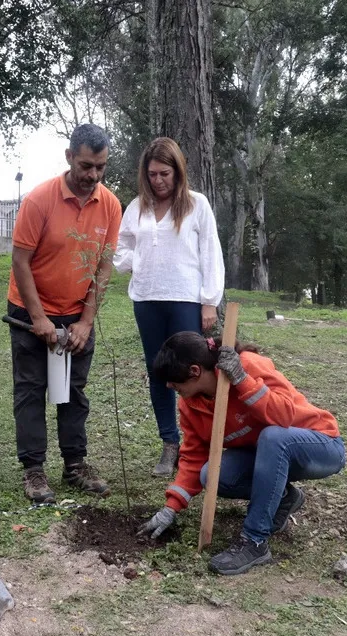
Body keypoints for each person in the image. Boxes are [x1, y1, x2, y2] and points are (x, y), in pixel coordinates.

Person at [137, 331, 346, 576]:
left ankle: (255, 541)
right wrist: (170, 508)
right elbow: (194, 457)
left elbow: (284, 416)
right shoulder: (191, 403)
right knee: (212, 476)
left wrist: (242, 380)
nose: (169, 386)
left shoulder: (247, 365)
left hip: (320, 446)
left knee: (274, 437)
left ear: (194, 371)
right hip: (268, 455)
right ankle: (284, 498)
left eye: (173, 381)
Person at [7, 123, 123, 503]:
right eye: (87, 165)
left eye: (101, 167)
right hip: (30, 310)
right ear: (70, 157)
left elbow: (103, 267)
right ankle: (34, 470)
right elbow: (20, 262)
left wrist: (86, 321)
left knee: (74, 391)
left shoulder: (110, 205)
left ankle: (75, 465)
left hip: (76, 315)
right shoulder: (39, 200)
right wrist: (38, 319)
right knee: (31, 388)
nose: (93, 175)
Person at [113, 137, 224, 477]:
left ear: (178, 172)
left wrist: (209, 301)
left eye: (164, 173)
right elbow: (122, 248)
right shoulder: (137, 208)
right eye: (152, 175)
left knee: (191, 370)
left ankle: (197, 442)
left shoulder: (196, 205)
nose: (158, 181)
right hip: (147, 301)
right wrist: (137, 262)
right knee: (159, 372)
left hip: (185, 300)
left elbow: (210, 253)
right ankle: (169, 443)